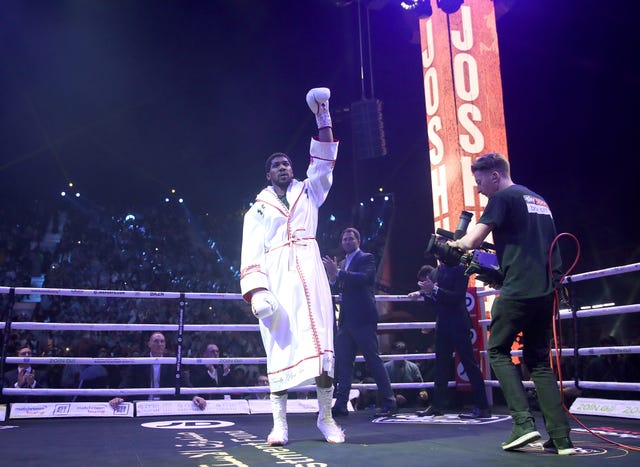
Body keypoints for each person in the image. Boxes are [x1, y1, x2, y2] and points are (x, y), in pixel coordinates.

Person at [449, 152, 575, 455]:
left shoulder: (502, 198)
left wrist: (452, 245)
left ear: (494, 176)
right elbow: (541, 249)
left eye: (479, 181)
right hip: (546, 292)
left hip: (519, 291)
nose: (478, 189)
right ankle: (561, 438)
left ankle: (523, 425)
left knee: (497, 351)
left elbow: (472, 241)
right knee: (540, 362)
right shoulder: (539, 201)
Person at [239, 87, 344, 445]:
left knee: (321, 346)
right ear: (267, 174)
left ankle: (326, 418)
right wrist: (257, 292)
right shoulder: (258, 209)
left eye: (287, 163)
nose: (283, 167)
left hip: (311, 272)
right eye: (276, 165)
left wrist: (323, 116)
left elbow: (326, 160)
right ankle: (279, 424)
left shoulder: (308, 191)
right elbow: (250, 252)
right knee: (279, 347)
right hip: (278, 280)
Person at [322, 227, 398, 417]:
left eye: (350, 239)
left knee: (373, 360)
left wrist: (337, 273)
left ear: (358, 241)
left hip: (363, 318)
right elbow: (341, 286)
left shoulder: (367, 258)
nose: (346, 242)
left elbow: (365, 278)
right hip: (346, 320)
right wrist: (333, 277)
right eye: (344, 239)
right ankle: (341, 404)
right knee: (343, 364)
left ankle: (389, 401)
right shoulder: (344, 261)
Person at [408, 263, 490, 418]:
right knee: (440, 367)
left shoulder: (460, 269)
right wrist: (425, 293)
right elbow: (435, 303)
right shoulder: (437, 272)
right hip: (443, 324)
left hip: (458, 323)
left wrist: (434, 289)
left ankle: (482, 406)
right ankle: (437, 405)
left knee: (469, 364)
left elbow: (457, 297)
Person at [108, 332, 206, 410]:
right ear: (149, 344)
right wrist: (119, 397)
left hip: (165, 405)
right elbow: (127, 381)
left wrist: (194, 396)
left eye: (162, 341)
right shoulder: (139, 362)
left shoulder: (172, 363)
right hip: (143, 405)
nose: (159, 344)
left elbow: (184, 382)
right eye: (156, 341)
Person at [383, 341, 427, 408]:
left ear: (406, 352)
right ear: (392, 352)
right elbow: (382, 386)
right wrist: (394, 396)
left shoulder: (413, 366)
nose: (399, 354)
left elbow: (420, 383)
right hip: (391, 400)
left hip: (411, 401)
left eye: (401, 352)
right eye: (397, 352)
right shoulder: (386, 367)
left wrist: (423, 392)